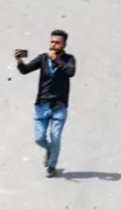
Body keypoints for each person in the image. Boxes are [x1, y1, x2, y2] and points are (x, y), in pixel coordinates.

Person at [15, 29, 76, 177]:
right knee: (39, 138)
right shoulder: (43, 58)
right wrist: (19, 61)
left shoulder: (69, 59)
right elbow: (25, 70)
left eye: (57, 43)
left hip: (59, 106)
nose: (53, 45)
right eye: (52, 42)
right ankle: (50, 149)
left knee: (55, 136)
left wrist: (55, 59)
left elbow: (70, 72)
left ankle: (51, 166)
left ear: (64, 44)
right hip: (42, 104)